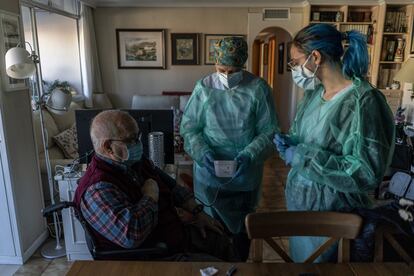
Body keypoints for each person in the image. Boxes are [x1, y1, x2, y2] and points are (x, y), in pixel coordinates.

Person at [274, 24, 395, 262]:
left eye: (295, 62)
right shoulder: (312, 97)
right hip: (301, 210)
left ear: (315, 57)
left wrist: (301, 156)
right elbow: (305, 139)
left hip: (338, 215)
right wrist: (290, 143)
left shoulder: (364, 102)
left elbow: (366, 171)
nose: (294, 69)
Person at [73, 110, 240, 261]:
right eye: (131, 139)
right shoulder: (97, 189)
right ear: (107, 147)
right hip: (151, 256)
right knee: (219, 268)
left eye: (137, 136)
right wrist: (150, 196)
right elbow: (132, 235)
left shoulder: (132, 161)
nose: (138, 143)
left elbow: (172, 186)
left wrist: (198, 212)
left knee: (222, 239)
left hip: (171, 236)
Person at [180, 37, 279, 260]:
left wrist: (249, 155)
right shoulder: (204, 88)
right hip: (208, 171)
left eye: (232, 69)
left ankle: (240, 264)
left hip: (245, 171)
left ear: (242, 65)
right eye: (221, 68)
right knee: (212, 230)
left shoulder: (258, 88)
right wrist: (202, 152)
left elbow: (269, 131)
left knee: (242, 232)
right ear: (215, 63)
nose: (225, 74)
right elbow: (190, 129)